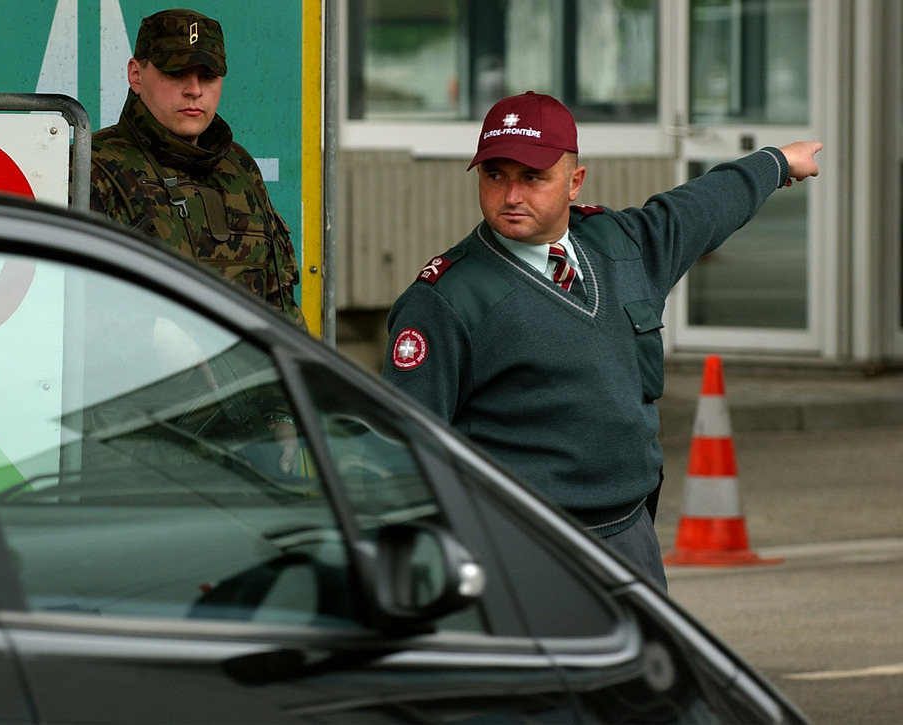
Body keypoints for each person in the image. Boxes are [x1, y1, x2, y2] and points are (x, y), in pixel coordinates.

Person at [381, 90, 822, 591]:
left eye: (532, 177)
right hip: (522, 550)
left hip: (630, 534)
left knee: (646, 668)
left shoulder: (620, 246)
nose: (510, 196)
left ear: (574, 183)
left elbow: (704, 207)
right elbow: (402, 451)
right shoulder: (445, 300)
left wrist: (777, 162)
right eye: (494, 175)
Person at [90, 8, 305, 328]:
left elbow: (281, 309)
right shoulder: (92, 167)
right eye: (176, 73)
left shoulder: (240, 167)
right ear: (136, 74)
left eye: (207, 76)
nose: (194, 90)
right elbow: (81, 317)